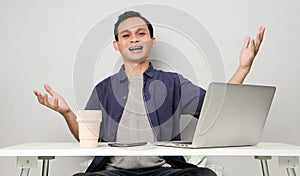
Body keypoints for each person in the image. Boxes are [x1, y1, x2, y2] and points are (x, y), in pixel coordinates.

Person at [33, 11, 265, 176]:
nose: (133, 38)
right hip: (114, 172)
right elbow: (86, 138)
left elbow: (216, 111)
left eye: (140, 33)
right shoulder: (103, 89)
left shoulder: (173, 83)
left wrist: (243, 68)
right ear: (117, 45)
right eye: (126, 35)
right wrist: (66, 112)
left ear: (151, 41)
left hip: (163, 171)